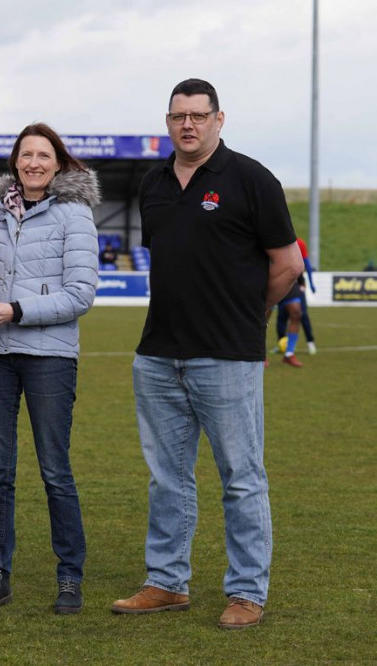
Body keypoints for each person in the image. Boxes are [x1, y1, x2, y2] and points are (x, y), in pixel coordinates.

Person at [110, 79, 303, 629]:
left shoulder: (252, 179)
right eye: (178, 116)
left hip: (227, 356)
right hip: (157, 355)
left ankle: (247, 592)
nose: (187, 125)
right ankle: (166, 582)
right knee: (167, 477)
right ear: (167, 122)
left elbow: (287, 264)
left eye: (198, 115)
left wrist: (249, 313)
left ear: (220, 119)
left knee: (241, 477)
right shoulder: (153, 183)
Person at [0, 123, 99, 613]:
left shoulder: (75, 214)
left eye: (44, 155)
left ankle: (69, 577)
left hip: (50, 356)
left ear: (58, 162)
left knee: (55, 471)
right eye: (26, 155)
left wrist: (15, 310)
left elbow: (81, 293)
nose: (34, 163)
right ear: (14, 162)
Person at [273, 237, 317, 358]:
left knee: (300, 314)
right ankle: (282, 344)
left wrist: (310, 282)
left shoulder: (299, 243)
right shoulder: (272, 241)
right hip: (279, 284)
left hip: (295, 285)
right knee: (281, 317)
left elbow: (305, 264)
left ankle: (310, 342)